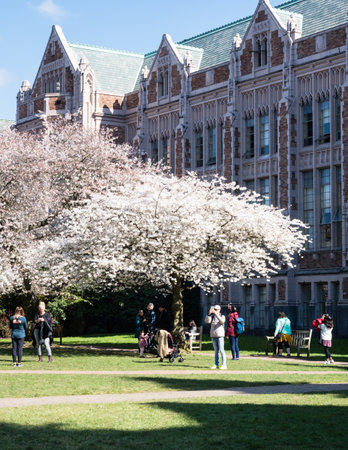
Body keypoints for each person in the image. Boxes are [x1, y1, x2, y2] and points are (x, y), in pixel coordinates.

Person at [205, 304, 227, 369]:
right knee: (216, 351)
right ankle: (216, 364)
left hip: (220, 336)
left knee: (222, 350)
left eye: (216, 309)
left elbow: (222, 321)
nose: (215, 310)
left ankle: (224, 364)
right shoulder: (212, 317)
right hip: (213, 336)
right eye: (214, 309)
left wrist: (216, 314)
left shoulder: (222, 316)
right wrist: (209, 314)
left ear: (219, 310)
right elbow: (207, 321)